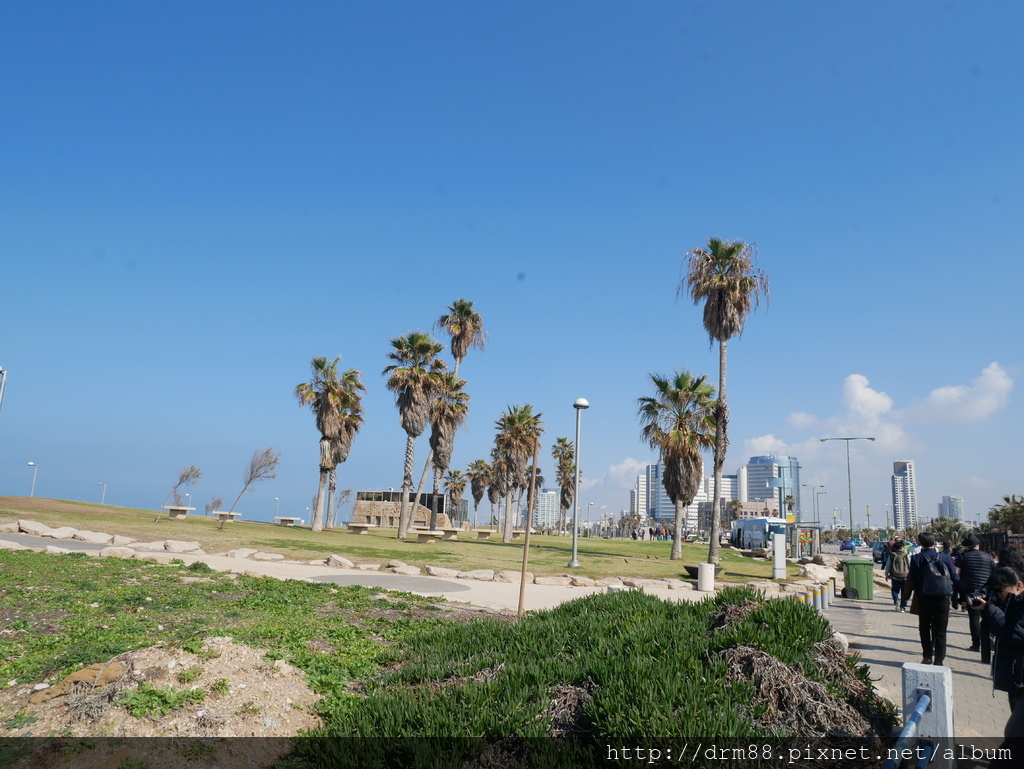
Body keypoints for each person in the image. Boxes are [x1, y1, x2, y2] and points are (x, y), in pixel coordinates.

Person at [904, 531, 961, 665]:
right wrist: (960, 593)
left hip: (924, 598)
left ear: (919, 543)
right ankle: (939, 660)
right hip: (943, 598)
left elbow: (912, 579)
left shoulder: (917, 558)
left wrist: (911, 595)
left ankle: (927, 656)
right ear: (934, 543)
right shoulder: (944, 557)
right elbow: (955, 576)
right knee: (940, 631)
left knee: (924, 627)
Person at [972, 567, 1024, 711]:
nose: (998, 595)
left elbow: (1012, 635)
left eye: (1000, 591)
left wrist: (990, 609)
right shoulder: (1014, 602)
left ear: (1019, 586)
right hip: (1016, 677)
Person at [959, 532, 997, 652]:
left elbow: (957, 574)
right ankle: (988, 643)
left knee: (974, 618)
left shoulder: (963, 557)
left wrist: (960, 594)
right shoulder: (988, 557)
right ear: (978, 545)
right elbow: (995, 573)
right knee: (987, 617)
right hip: (986, 592)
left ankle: (976, 644)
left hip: (970, 591)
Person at [884, 539, 910, 612]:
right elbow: (910, 565)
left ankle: (896, 601)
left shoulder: (892, 555)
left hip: (895, 576)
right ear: (902, 548)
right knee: (904, 592)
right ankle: (903, 607)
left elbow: (888, 566)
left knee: (895, 590)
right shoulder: (906, 555)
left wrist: (887, 575)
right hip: (905, 577)